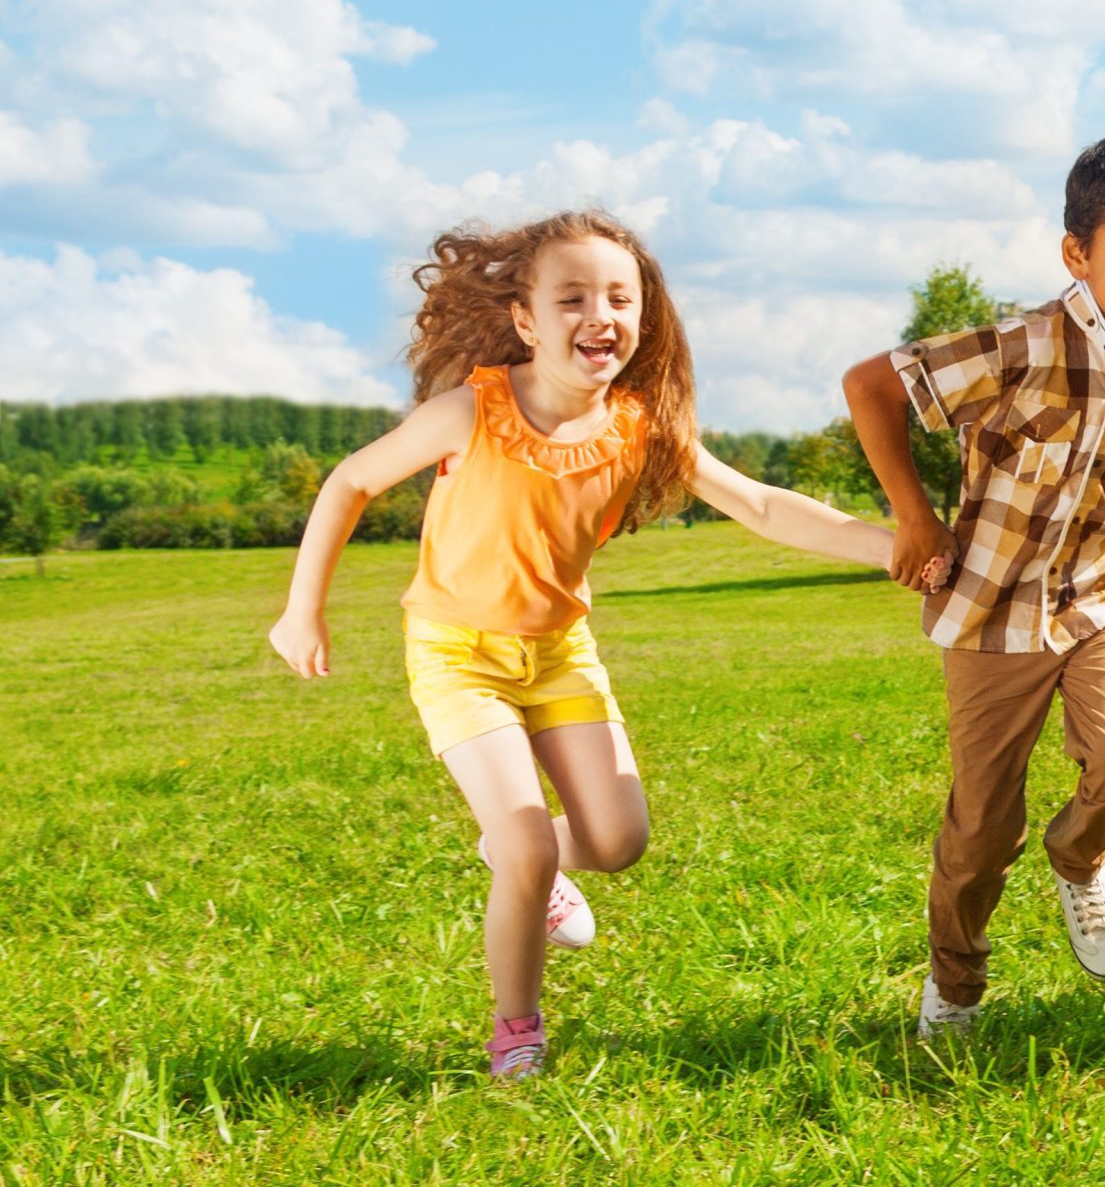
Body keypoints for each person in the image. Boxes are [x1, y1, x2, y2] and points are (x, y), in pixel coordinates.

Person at [268, 211, 933, 1077]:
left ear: (643, 316)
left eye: (621, 297)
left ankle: (512, 849)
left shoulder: (638, 426)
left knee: (616, 841)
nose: (601, 314)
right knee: (535, 849)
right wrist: (301, 609)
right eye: (572, 296)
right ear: (526, 320)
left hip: (558, 654)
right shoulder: (472, 409)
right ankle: (518, 1030)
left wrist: (899, 544)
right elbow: (352, 480)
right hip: (457, 655)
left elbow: (762, 506)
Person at [840, 134, 1105, 1040]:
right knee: (980, 831)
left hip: (1102, 597)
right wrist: (915, 516)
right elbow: (870, 386)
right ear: (1076, 253)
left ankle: (1079, 857)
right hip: (991, 607)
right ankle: (956, 986)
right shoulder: (1019, 344)